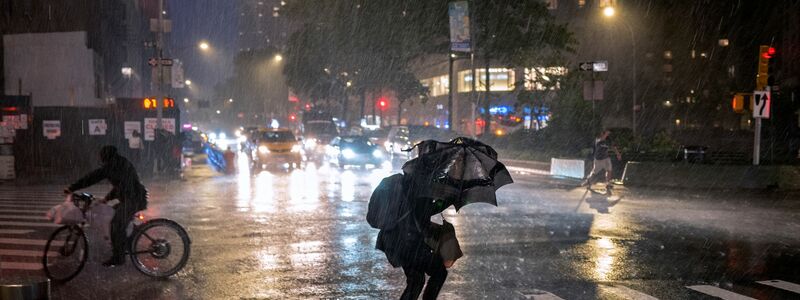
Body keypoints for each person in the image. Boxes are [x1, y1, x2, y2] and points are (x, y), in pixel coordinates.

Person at [65, 145, 148, 267]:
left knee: (116, 224)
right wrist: (106, 199)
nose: (101, 159)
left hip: (133, 200)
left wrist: (72, 188)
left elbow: (92, 177)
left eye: (102, 156)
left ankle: (118, 257)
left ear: (106, 156)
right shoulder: (120, 163)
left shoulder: (112, 166)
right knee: (112, 216)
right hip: (133, 197)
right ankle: (128, 241)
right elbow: (121, 185)